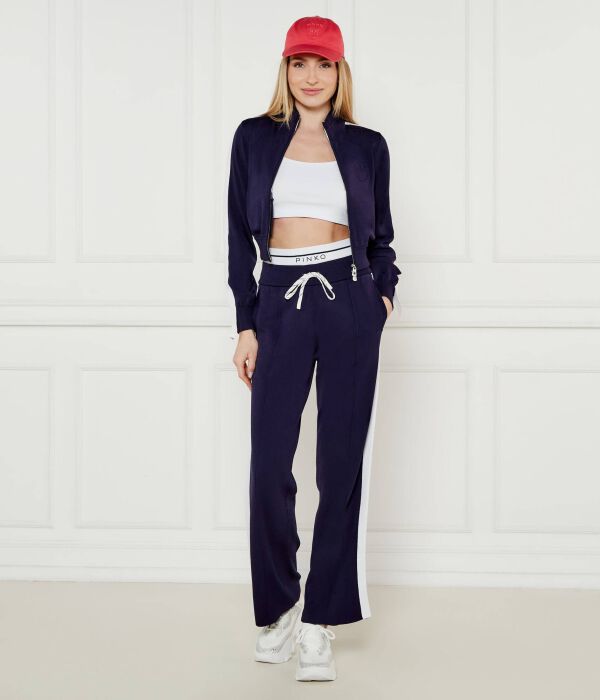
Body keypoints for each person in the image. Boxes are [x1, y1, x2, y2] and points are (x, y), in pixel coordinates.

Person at [227, 15, 401, 682]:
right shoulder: (253, 138)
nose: (311, 76)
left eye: (323, 64)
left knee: (339, 466)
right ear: (285, 68)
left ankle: (320, 620)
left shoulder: (366, 146)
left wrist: (382, 298)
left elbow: (382, 238)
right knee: (270, 461)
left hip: (350, 300)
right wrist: (246, 324)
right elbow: (236, 239)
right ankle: (278, 608)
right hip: (278, 301)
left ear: (339, 71)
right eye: (300, 62)